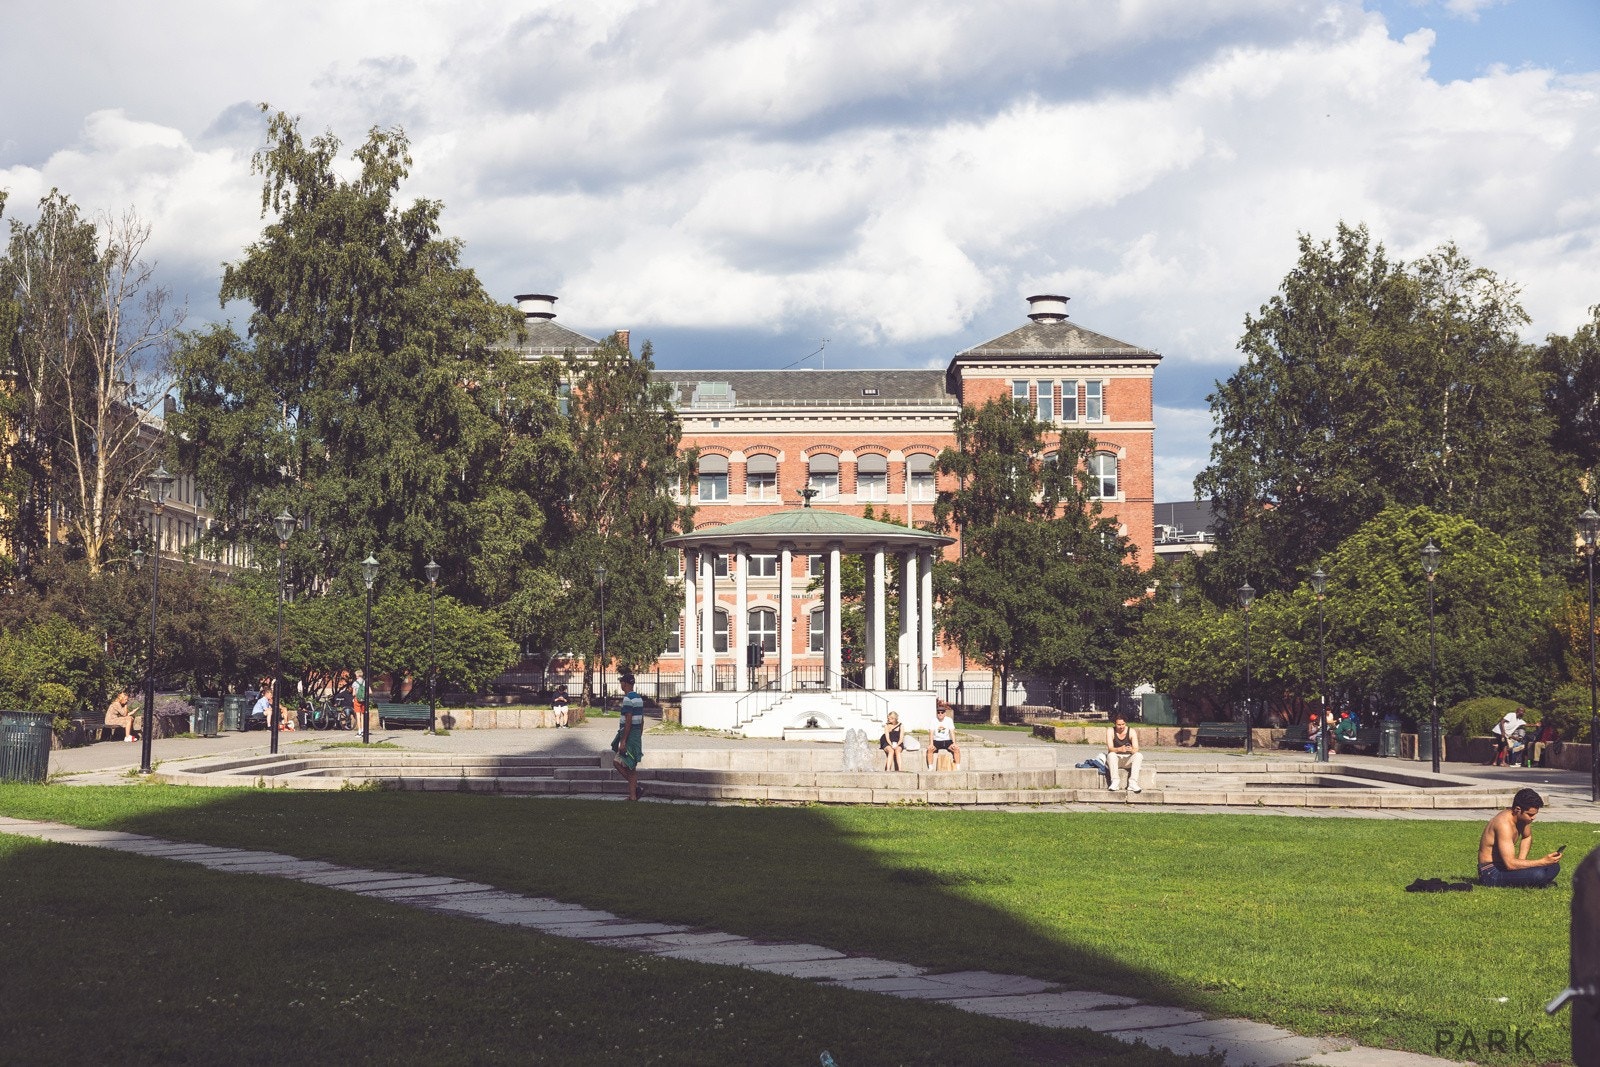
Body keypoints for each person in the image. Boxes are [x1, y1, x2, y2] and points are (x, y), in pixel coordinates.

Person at [1478, 787, 1562, 887]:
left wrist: (1522, 861)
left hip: (1504, 867)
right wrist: (1542, 862)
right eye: (1530, 814)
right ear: (1517, 809)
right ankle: (1538, 880)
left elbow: (1527, 837)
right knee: (1539, 874)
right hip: (1491, 872)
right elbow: (1510, 864)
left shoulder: (1522, 819)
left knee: (1554, 866)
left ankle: (1535, 880)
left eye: (1535, 814)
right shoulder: (1503, 825)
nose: (1533, 818)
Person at [610, 672, 645, 801]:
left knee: (618, 762)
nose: (620, 684)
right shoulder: (638, 698)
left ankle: (635, 789)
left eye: (621, 682)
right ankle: (633, 795)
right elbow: (642, 720)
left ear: (624, 684)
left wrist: (623, 741)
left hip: (628, 734)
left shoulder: (627, 699)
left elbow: (628, 720)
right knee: (631, 766)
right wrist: (639, 735)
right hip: (635, 734)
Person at [1105, 715, 1142, 792]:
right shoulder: (1110, 731)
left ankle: (1133, 783)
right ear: (1115, 724)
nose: (1121, 727)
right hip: (1115, 759)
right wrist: (1120, 749)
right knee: (1111, 755)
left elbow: (1136, 749)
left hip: (1127, 759)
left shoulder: (1131, 731)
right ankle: (1115, 781)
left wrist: (1131, 750)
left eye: (1123, 724)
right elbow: (1110, 748)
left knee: (1139, 755)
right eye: (1119, 725)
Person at [926, 704, 960, 770]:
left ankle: (957, 766)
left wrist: (954, 743)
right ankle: (930, 767)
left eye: (942, 712)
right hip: (936, 741)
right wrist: (931, 744)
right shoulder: (933, 720)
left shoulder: (949, 720)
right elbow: (931, 733)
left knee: (956, 749)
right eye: (938, 712)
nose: (940, 714)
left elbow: (952, 732)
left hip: (947, 741)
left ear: (945, 713)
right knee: (929, 750)